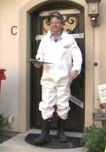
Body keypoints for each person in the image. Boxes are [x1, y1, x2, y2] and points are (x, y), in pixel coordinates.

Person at [33, 12, 83, 145]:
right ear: (49, 24)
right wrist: (38, 63)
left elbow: (77, 55)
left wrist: (76, 69)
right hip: (48, 78)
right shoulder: (44, 40)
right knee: (47, 104)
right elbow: (40, 55)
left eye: (57, 22)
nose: (55, 25)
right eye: (52, 22)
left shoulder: (69, 39)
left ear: (62, 24)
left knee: (63, 104)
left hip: (64, 78)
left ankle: (61, 132)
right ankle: (45, 135)